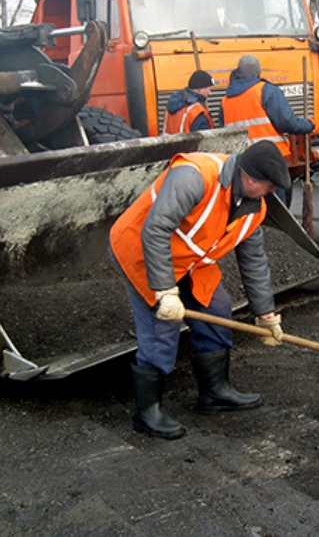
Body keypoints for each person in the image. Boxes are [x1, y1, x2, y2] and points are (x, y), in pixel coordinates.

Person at [109, 140, 291, 439]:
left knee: (216, 309)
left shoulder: (252, 208)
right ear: (249, 178)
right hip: (143, 250)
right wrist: (165, 292)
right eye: (270, 186)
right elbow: (155, 230)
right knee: (162, 325)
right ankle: (147, 413)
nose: (272, 193)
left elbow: (254, 260)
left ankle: (215, 393)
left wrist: (266, 313)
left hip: (191, 259)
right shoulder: (194, 175)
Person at [219, 55, 314, 202]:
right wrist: (309, 125)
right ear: (258, 72)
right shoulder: (266, 90)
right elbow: (287, 123)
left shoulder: (226, 99)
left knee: (247, 204)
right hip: (269, 157)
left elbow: (222, 131)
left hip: (240, 159)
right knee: (276, 205)